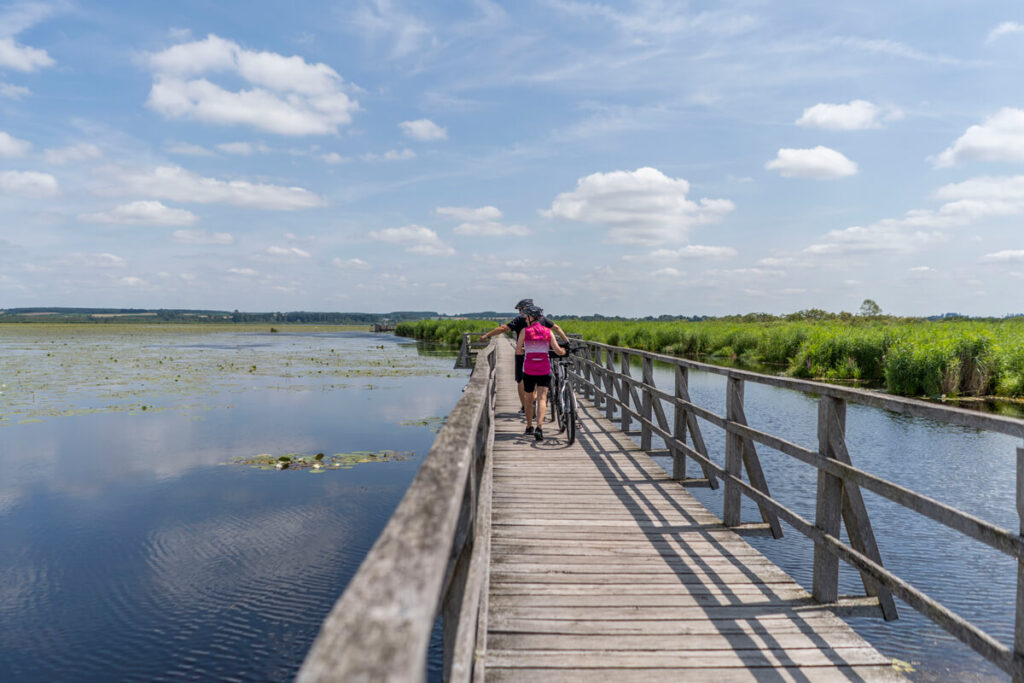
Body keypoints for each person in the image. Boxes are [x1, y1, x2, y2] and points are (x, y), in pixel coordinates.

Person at [479, 299, 570, 415]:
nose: (519, 312)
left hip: (523, 353)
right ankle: (536, 399)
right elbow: (556, 328)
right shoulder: (542, 319)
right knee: (540, 377)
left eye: (520, 309)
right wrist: (566, 341)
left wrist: (487, 335)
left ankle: (525, 407)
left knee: (521, 380)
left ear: (524, 309)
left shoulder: (520, 319)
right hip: (542, 354)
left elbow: (503, 329)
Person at [516, 306, 565, 441]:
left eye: (527, 317)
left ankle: (529, 426)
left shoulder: (524, 332)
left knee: (528, 398)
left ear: (532, 317)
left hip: (529, 369)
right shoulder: (548, 332)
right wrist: (564, 351)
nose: (525, 319)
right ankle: (539, 427)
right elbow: (557, 350)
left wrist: (527, 349)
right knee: (542, 398)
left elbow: (518, 351)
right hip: (544, 369)